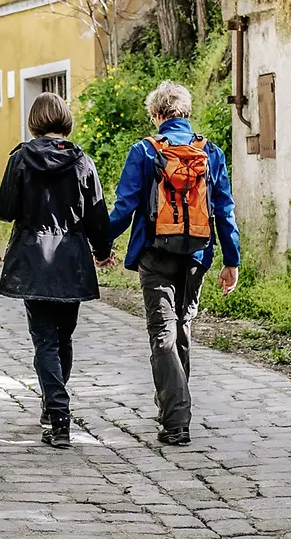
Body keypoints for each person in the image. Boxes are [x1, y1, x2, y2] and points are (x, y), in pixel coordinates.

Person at [106, 81, 241, 447]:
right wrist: (232, 260)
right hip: (197, 253)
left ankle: (176, 419)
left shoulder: (144, 151)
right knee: (181, 328)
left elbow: (124, 208)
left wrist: (99, 240)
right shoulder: (209, 152)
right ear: (186, 112)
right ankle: (174, 413)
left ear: (156, 115)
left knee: (162, 333)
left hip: (155, 254)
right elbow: (223, 210)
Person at [0, 92, 113, 450]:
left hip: (33, 260)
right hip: (72, 261)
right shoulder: (83, 162)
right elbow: (97, 216)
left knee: (45, 339)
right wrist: (103, 251)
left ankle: (58, 415)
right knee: (63, 338)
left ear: (34, 123)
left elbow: (4, 209)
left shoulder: (21, 160)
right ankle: (52, 407)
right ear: (66, 121)